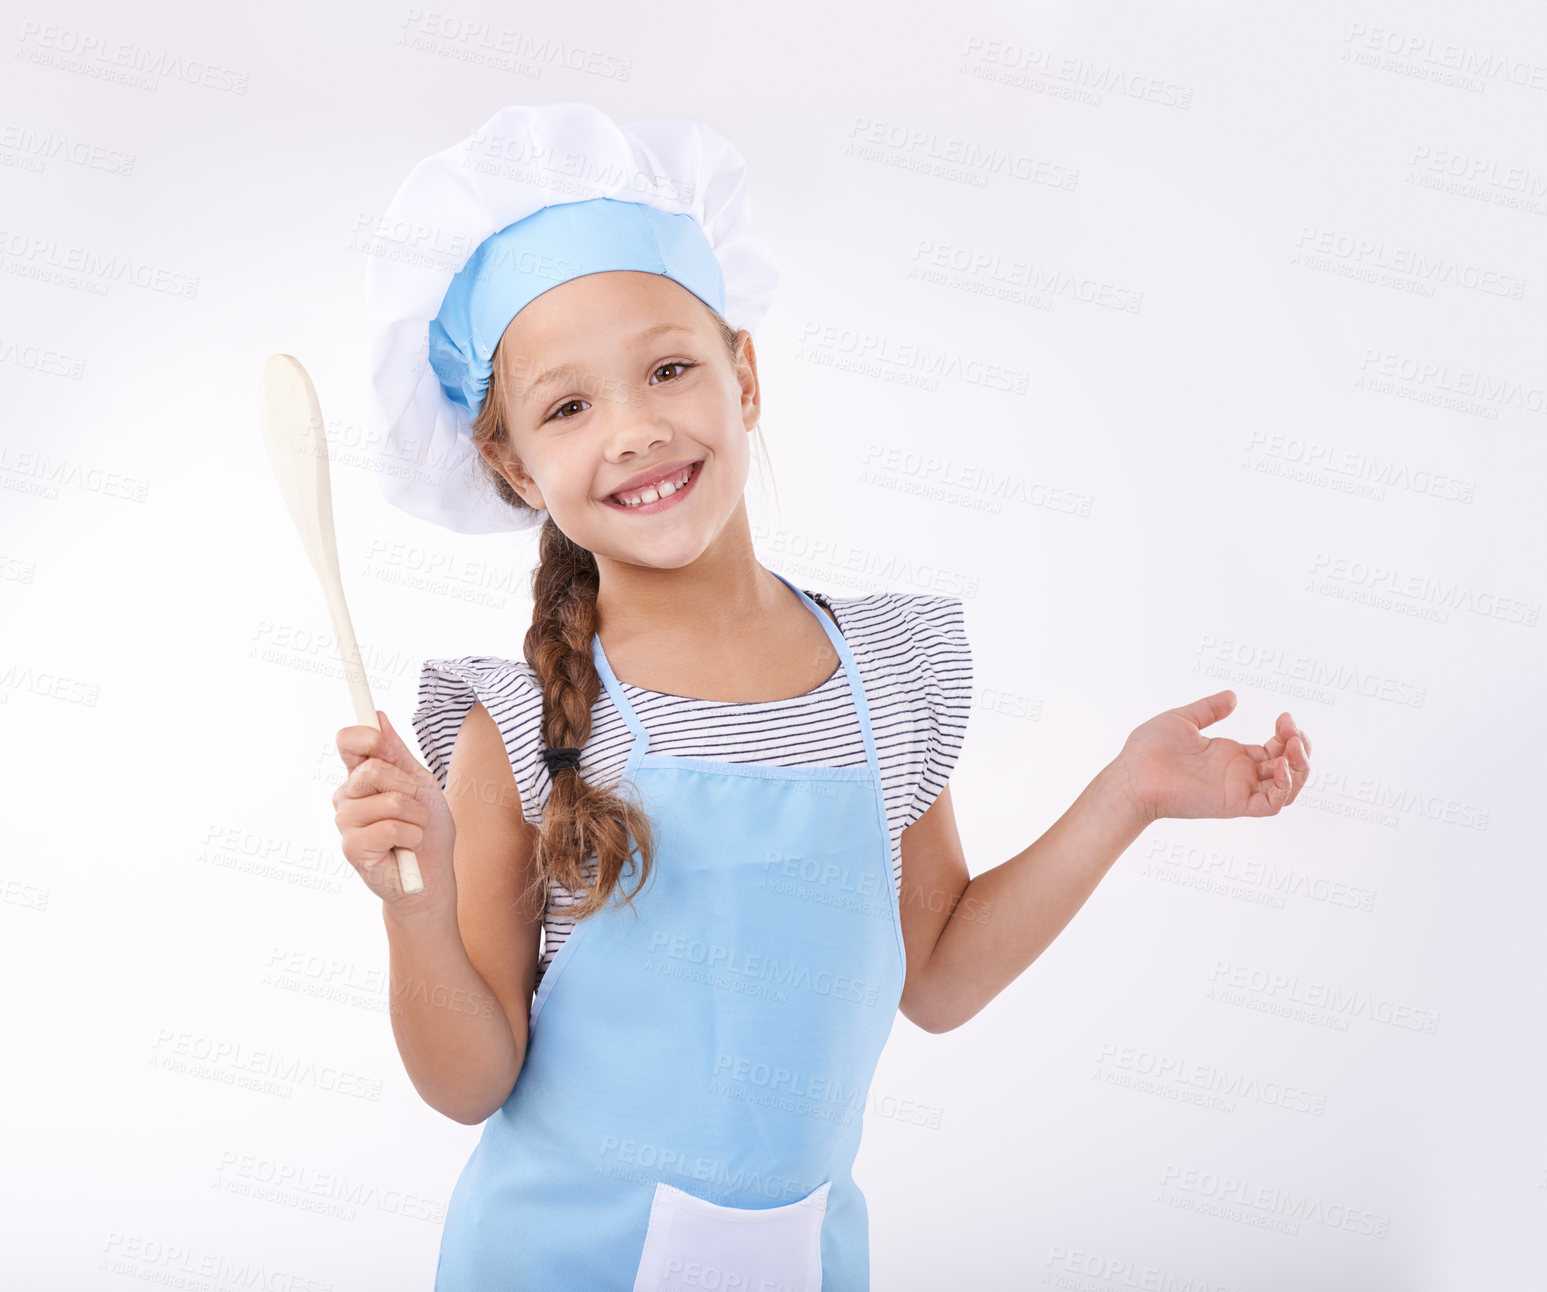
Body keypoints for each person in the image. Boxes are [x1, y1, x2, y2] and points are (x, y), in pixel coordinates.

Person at [330, 102, 1314, 1291]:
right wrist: (412, 911)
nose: (635, 428)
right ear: (511, 464)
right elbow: (469, 1079)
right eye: (568, 406)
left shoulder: (884, 677)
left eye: (668, 367)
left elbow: (938, 975)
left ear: (744, 374)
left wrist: (1124, 794)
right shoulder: (523, 728)